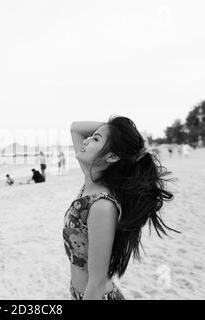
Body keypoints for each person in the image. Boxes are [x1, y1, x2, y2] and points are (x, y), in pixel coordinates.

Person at [65, 116, 179, 300]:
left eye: (95, 139)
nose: (85, 140)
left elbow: (97, 281)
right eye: (92, 136)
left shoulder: (102, 205)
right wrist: (116, 133)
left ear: (112, 156)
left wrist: (119, 137)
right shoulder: (91, 178)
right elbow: (75, 128)